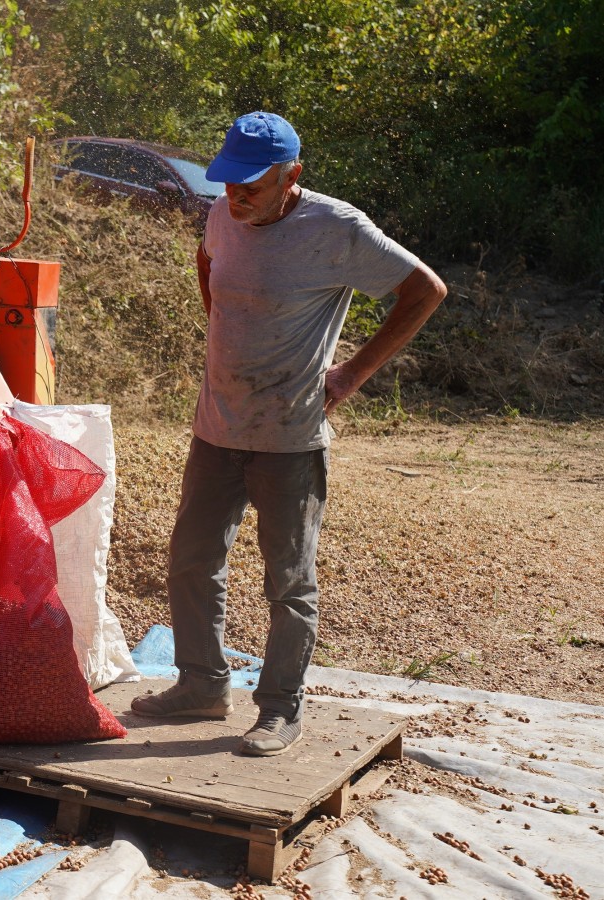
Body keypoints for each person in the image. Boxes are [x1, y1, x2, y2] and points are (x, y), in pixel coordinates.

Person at [130, 111, 447, 756]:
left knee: (288, 578)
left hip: (289, 435)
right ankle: (201, 685)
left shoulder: (335, 229)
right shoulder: (224, 215)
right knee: (192, 559)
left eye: (253, 183)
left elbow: (424, 290)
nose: (236, 195)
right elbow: (208, 262)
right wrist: (226, 333)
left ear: (292, 175)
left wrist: (352, 374)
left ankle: (279, 707)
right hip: (216, 424)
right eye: (230, 181)